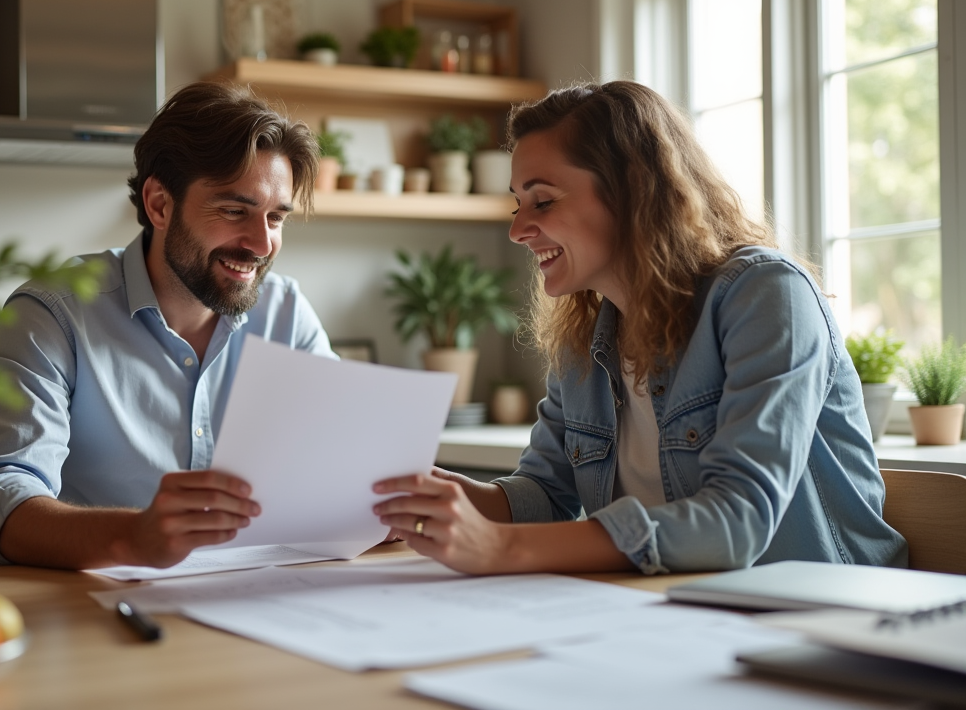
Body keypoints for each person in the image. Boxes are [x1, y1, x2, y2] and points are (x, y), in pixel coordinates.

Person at [374, 81, 907, 575]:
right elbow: (545, 492)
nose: (517, 229)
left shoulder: (766, 295)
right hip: (676, 611)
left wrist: (501, 548)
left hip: (827, 620)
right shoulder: (584, 334)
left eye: (543, 201)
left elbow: (737, 522)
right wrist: (439, 500)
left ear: (632, 191)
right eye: (518, 204)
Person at [0, 81, 335, 569]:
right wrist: (133, 537)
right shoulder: (53, 313)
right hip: (98, 619)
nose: (261, 244)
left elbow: (341, 464)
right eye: (234, 210)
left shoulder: (288, 315)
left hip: (256, 607)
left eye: (276, 218)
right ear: (159, 204)